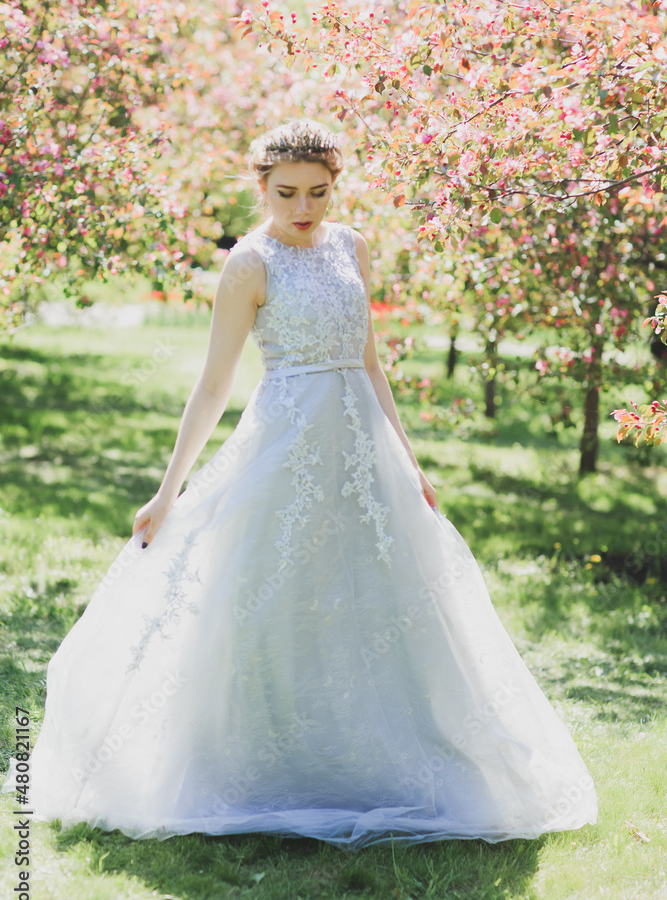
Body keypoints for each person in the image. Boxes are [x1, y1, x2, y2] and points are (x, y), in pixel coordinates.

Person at [3, 120, 597, 849]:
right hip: (285, 441)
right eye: (286, 193)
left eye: (317, 192)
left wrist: (408, 459)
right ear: (261, 188)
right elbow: (215, 381)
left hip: (363, 448)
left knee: (383, 597)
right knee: (266, 593)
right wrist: (167, 490)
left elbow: (368, 359)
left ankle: (376, 753)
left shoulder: (351, 246)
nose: (303, 208)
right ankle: (261, 753)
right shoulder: (249, 264)